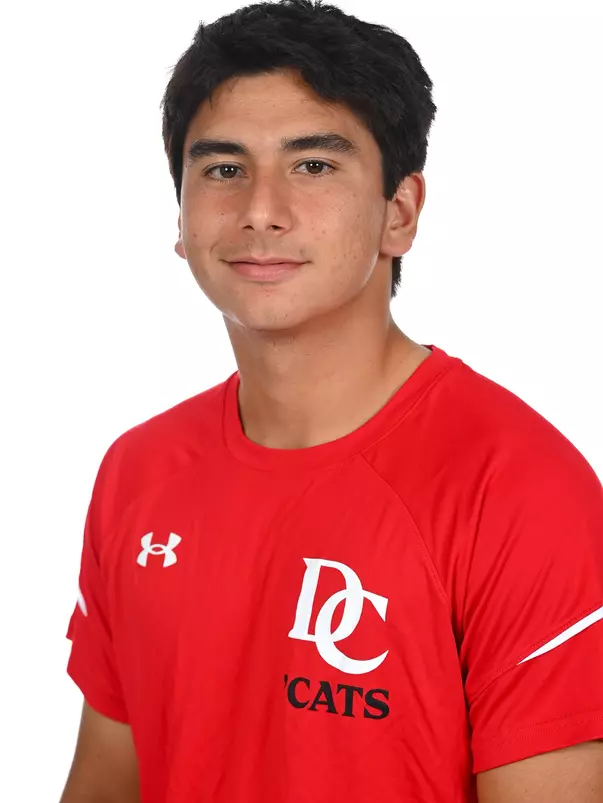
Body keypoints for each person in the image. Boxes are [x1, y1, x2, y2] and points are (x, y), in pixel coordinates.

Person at [60, 1, 603, 801]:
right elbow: (107, 780)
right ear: (179, 217)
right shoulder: (137, 472)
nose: (260, 209)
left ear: (400, 212)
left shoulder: (519, 490)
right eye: (222, 168)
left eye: (313, 165)